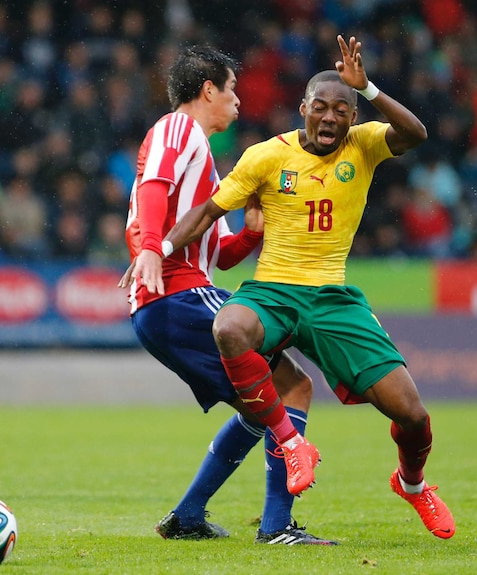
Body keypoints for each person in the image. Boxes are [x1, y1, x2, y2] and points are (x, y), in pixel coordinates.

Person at [125, 35, 456, 539]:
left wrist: (366, 85)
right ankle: (278, 513)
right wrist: (157, 248)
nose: (329, 118)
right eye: (319, 108)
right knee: (236, 331)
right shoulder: (256, 155)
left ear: (352, 115)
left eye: (341, 110)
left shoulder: (363, 144)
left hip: (331, 299)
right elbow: (199, 211)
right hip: (272, 292)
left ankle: (412, 484)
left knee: (410, 414)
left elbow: (415, 132)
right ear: (302, 109)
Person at [121, 45, 335, 545]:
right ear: (207, 90)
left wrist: (253, 233)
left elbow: (220, 253)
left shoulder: (203, 160)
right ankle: (278, 526)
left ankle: (188, 516)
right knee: (293, 388)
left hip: (168, 304)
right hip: (178, 296)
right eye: (232, 89)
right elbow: (153, 188)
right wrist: (151, 249)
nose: (238, 100)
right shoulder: (179, 128)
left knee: (259, 406)